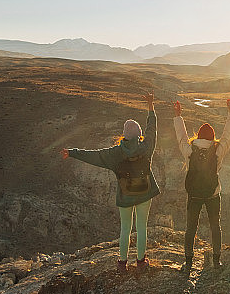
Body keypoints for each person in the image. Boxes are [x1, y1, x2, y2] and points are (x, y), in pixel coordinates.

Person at [60, 92, 159, 273]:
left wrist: (72, 152)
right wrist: (151, 106)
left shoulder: (114, 153)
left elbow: (93, 155)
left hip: (125, 196)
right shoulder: (146, 146)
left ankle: (122, 264)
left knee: (125, 229)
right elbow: (152, 128)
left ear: (124, 136)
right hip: (145, 193)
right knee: (142, 227)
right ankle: (141, 262)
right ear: (139, 135)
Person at [173, 98, 230, 271]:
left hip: (194, 194)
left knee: (190, 228)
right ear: (212, 137)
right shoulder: (217, 151)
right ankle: (216, 260)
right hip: (213, 194)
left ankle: (188, 261)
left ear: (198, 136)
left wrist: (178, 116)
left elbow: (181, 138)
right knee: (215, 226)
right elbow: (228, 137)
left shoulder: (189, 151)